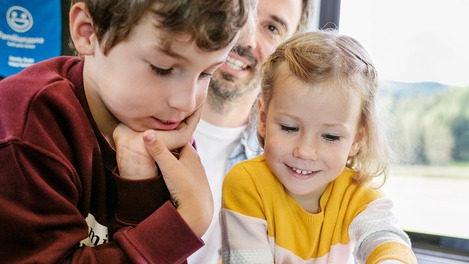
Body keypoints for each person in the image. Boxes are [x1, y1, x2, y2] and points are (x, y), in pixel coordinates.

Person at [0, 0, 249, 262]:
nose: (186, 102)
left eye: (206, 73)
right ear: (88, 31)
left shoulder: (160, 129)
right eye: (162, 69)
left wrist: (141, 184)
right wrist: (183, 224)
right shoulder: (27, 129)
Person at [220, 30, 418, 263]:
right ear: (263, 119)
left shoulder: (359, 194)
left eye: (330, 136)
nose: (305, 151)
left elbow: (386, 240)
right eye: (289, 128)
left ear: (356, 139)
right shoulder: (246, 183)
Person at [189, 0, 314, 263]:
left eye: (271, 27)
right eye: (240, 13)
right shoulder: (137, 119)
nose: (246, 39)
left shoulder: (292, 171)